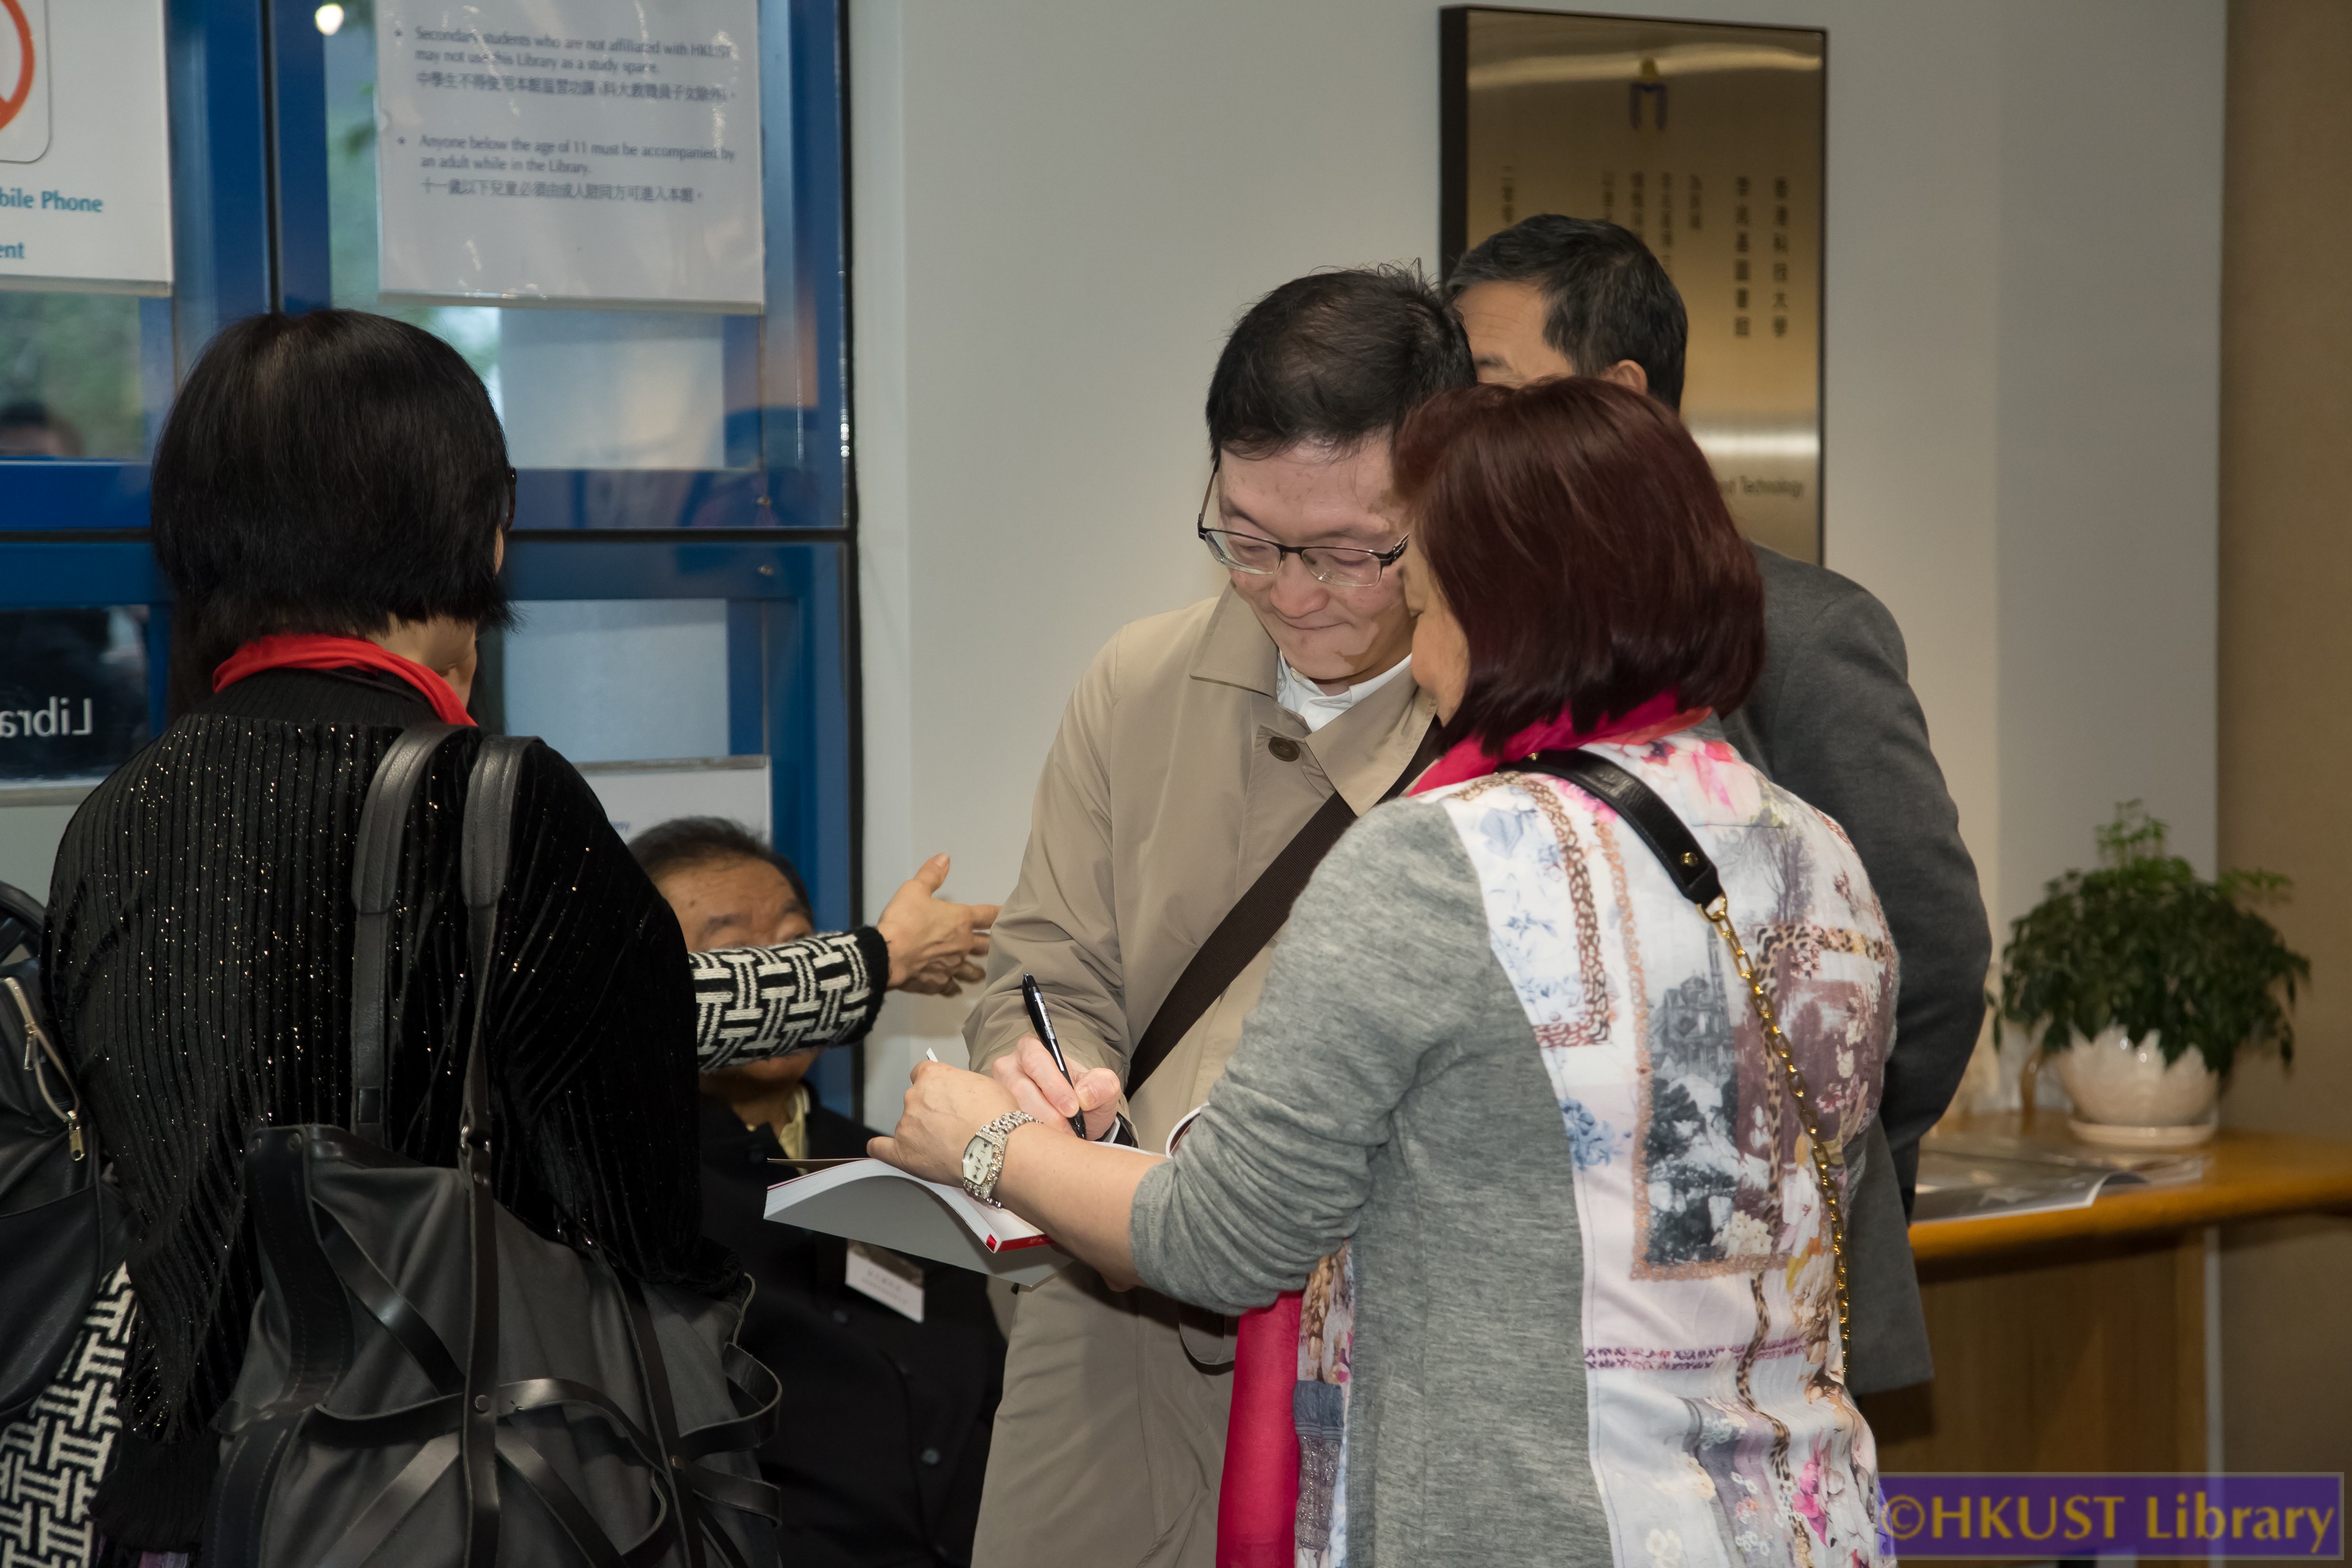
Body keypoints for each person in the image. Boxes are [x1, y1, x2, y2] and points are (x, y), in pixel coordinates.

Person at [876, 376, 1896, 1568]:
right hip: (1791, 1517)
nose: (1417, 648)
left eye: (1428, 597)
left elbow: (1221, 1241)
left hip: (1521, 1519)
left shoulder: (1443, 858)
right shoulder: (1814, 853)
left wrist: (985, 1147)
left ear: (1505, 609)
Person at [38, 309, 992, 1560]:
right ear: (466, 529)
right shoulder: (493, 801)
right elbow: (641, 1204)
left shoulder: (117, 818)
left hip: (180, 1500)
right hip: (436, 1493)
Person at [960, 267, 1469, 1567]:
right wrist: (1041, 1060)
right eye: (1247, 539)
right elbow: (1041, 956)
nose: (1294, 591)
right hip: (1104, 1338)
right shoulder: (1138, 683)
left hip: (1368, 1354)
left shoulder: (1504, 735)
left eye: (1354, 551)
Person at [1448, 213, 1990, 1389]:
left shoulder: (1798, 635)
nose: (1456, 434)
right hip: (1527, 1312)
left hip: (1760, 1322)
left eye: (1490, 393)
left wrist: (1809, 1160)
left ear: (1623, 394)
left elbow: (1931, 963)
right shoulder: (1459, 639)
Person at [631, 817, 1007, 1568]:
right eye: (735, 953)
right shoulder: (634, 1191)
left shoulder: (901, 1156)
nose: (782, 968)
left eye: (798, 940)